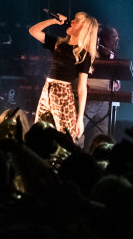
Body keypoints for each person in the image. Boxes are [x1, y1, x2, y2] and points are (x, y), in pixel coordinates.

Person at [27, 10, 99, 144]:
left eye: (76, 21)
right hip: (47, 89)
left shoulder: (84, 54)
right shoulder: (59, 44)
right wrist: (53, 21)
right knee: (38, 130)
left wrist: (80, 119)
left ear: (83, 29)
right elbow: (33, 31)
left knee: (66, 136)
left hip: (63, 93)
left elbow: (82, 88)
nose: (71, 22)